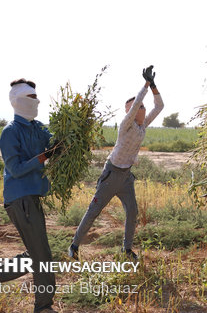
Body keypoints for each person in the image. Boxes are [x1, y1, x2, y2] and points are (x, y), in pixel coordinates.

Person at [0, 79, 59, 312]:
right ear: (17, 100)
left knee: (36, 253)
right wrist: (43, 158)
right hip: (20, 198)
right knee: (42, 256)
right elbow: (15, 169)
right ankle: (44, 307)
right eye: (30, 97)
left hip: (33, 197)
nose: (36, 101)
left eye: (36, 97)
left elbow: (54, 147)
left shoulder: (39, 129)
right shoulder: (10, 132)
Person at [68, 65, 164, 261]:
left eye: (143, 108)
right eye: (139, 107)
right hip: (111, 174)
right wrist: (145, 85)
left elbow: (160, 106)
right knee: (93, 211)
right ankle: (74, 245)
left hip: (126, 177)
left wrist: (153, 85)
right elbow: (138, 102)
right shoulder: (125, 125)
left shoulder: (142, 125)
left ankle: (126, 250)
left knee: (132, 211)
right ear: (131, 110)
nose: (143, 109)